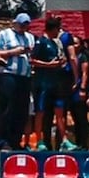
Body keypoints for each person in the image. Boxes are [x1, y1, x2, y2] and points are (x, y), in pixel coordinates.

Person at [0, 13, 36, 150]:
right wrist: (13, 52)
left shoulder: (30, 37)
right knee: (7, 108)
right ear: (15, 23)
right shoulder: (4, 35)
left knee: (21, 110)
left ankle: (16, 140)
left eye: (26, 25)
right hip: (8, 74)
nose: (24, 27)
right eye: (22, 24)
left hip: (24, 76)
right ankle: (2, 140)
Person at [29, 17, 66, 151]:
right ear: (53, 29)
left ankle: (64, 140)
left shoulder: (55, 43)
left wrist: (60, 62)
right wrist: (48, 65)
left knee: (59, 110)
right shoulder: (41, 42)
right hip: (42, 83)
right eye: (58, 29)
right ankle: (39, 140)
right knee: (40, 111)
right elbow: (32, 60)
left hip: (54, 82)